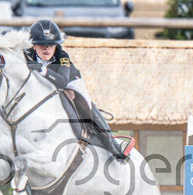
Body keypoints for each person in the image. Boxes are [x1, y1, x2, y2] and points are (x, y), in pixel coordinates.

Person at [23, 19, 128, 160]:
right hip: (44, 83)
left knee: (88, 105)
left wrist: (41, 69)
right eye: (42, 45)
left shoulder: (62, 57)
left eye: (51, 44)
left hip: (70, 81)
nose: (47, 49)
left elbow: (62, 81)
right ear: (33, 45)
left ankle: (112, 142)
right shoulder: (26, 54)